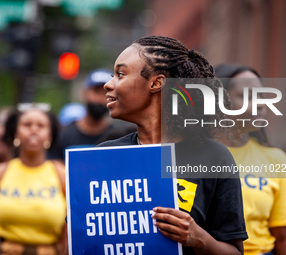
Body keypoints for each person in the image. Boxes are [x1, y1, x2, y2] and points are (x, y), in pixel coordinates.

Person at [96, 36, 248, 255]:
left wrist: (198, 238)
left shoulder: (214, 158)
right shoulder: (105, 156)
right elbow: (76, 241)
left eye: (120, 74)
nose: (108, 84)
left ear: (156, 83)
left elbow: (235, 251)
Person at [215, 64, 286, 255]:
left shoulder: (276, 160)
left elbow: (285, 238)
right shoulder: (191, 157)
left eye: (262, 96)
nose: (261, 103)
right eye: (248, 96)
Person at [0, 104, 67, 255]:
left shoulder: (64, 177)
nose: (33, 130)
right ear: (15, 133)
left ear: (50, 135)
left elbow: (70, 238)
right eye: (27, 125)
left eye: (41, 125)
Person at [49, 68, 113, 160]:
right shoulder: (63, 136)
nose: (100, 98)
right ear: (84, 93)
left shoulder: (117, 137)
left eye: (106, 93)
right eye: (96, 92)